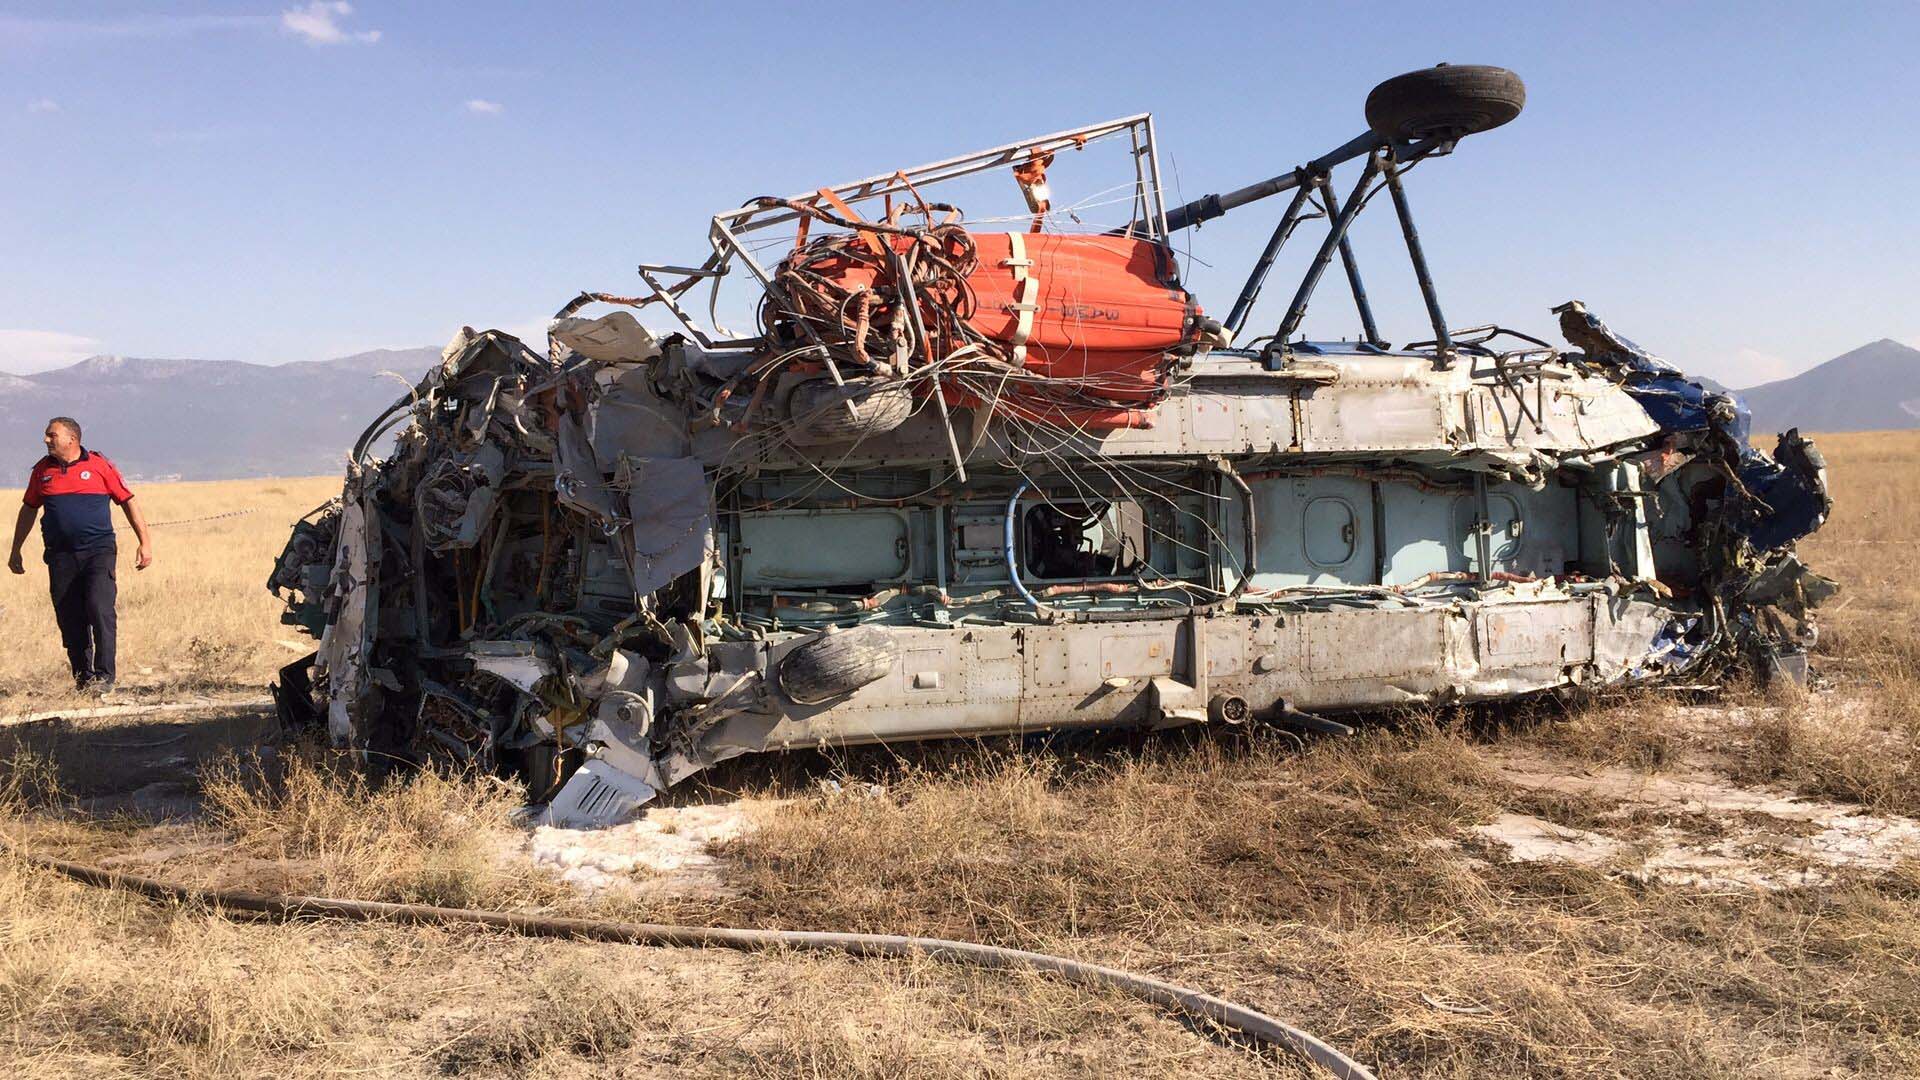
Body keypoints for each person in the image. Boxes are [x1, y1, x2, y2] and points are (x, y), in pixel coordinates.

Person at [8, 417, 153, 693]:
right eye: (46, 435)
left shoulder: (99, 466)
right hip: (60, 555)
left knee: (99, 609)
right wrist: (16, 549)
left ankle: (104, 676)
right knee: (69, 616)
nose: (46, 440)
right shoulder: (42, 471)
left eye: (52, 435)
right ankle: (83, 678)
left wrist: (144, 543)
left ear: (72, 439)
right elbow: (28, 509)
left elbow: (127, 501)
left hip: (98, 551)